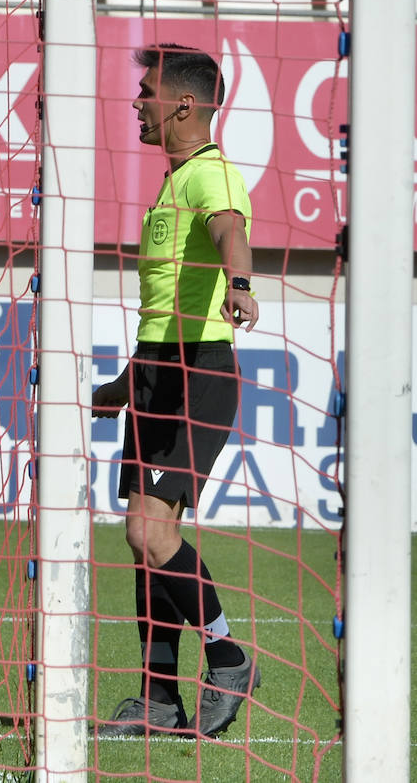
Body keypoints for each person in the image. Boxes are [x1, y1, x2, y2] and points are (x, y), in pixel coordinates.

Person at [92, 44, 263, 739]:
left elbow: (230, 230)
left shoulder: (211, 174)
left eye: (148, 92)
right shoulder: (171, 183)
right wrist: (123, 385)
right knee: (144, 543)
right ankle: (159, 699)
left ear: (184, 104)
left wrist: (241, 284)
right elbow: (162, 309)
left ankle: (228, 656)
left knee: (149, 531)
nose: (138, 103)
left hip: (199, 374)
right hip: (156, 373)